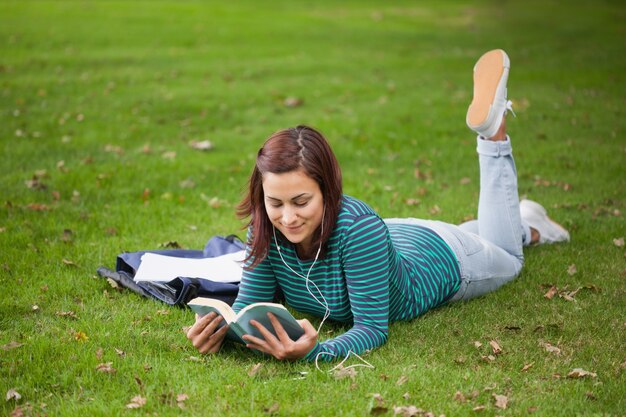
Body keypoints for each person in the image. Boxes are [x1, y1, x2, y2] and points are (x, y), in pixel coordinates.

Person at [186, 49, 569, 362]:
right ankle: (521, 218)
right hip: (397, 237)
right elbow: (250, 306)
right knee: (484, 234)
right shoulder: (265, 228)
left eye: (302, 201)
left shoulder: (358, 229)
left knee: (508, 256)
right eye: (275, 202)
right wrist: (220, 333)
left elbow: (372, 330)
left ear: (328, 192)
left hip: (447, 258)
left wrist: (317, 351)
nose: (287, 217)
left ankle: (494, 137)